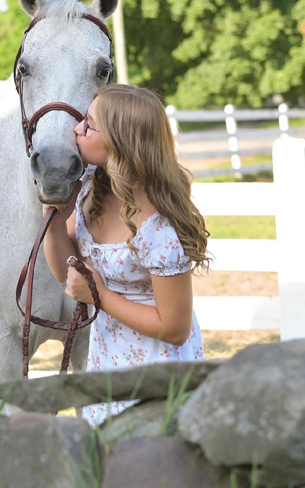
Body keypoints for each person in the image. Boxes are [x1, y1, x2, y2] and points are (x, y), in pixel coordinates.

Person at [43, 84, 211, 427]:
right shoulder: (91, 188)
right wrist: (54, 219)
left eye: (88, 124)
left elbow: (174, 327)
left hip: (156, 363)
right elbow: (65, 271)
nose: (77, 129)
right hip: (108, 352)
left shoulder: (158, 228)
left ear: (120, 142)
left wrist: (99, 296)